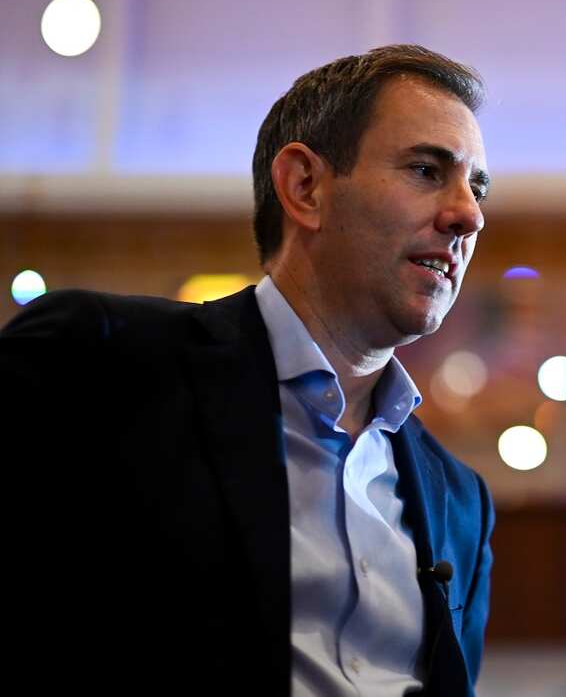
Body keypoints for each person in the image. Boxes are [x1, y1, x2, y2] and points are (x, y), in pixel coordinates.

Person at [1, 45, 494, 696]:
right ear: (305, 188)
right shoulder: (101, 362)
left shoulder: (461, 500)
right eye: (428, 170)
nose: (469, 215)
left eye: (477, 186)